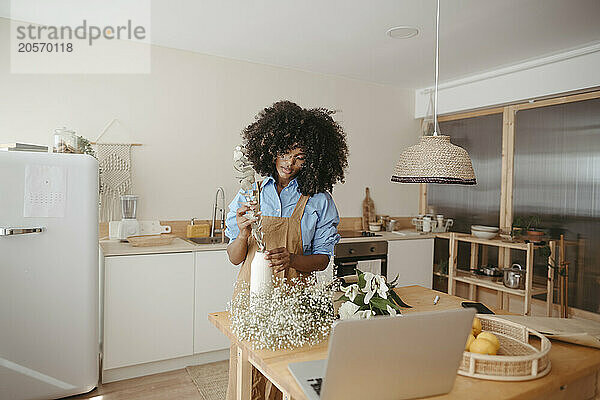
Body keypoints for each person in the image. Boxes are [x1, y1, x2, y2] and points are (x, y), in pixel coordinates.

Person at [224, 100, 349, 400]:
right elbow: (234, 257)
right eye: (284, 152)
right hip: (251, 296)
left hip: (296, 299)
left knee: (289, 374)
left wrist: (292, 259)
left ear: (313, 160)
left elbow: (321, 260)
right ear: (270, 148)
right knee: (247, 372)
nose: (288, 163)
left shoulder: (319, 200)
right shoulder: (248, 193)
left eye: (299, 157)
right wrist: (242, 233)